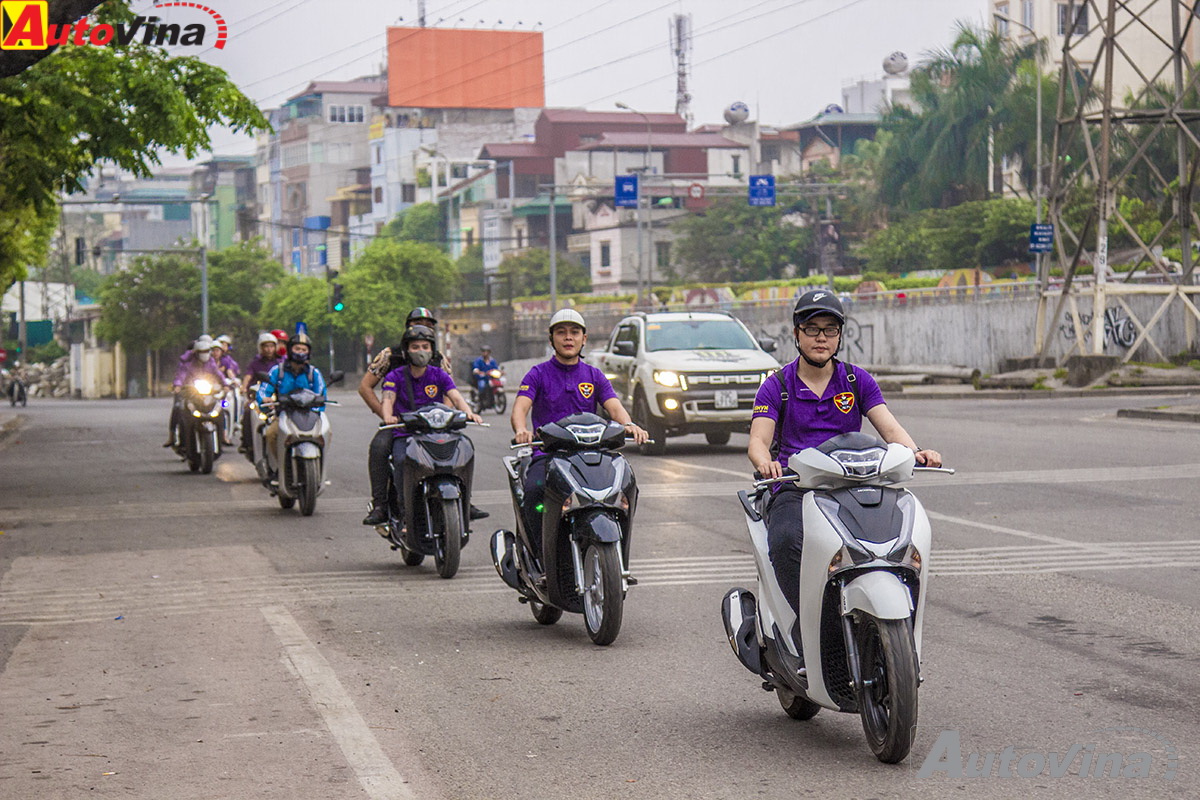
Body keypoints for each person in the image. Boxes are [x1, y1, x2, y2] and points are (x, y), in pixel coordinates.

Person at [748, 289, 942, 615]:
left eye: (830, 329)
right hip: (798, 488)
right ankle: (807, 621)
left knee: (894, 543)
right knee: (784, 543)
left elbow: (890, 429)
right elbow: (758, 441)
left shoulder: (856, 380)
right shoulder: (777, 386)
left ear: (839, 335)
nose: (821, 337)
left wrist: (917, 451)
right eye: (811, 328)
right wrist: (766, 464)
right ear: (796, 334)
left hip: (854, 485)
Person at [511, 309, 648, 554]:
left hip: (589, 457)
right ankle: (540, 558)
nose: (568, 338)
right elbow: (520, 408)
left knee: (627, 487)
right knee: (533, 492)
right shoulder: (537, 374)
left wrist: (629, 425)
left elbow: (615, 407)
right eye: (561, 333)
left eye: (574, 332)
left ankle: (619, 553)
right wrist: (521, 430)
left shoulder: (594, 375)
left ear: (584, 339)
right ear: (551, 338)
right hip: (549, 457)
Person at [359, 308, 483, 524]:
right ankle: (381, 505)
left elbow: (450, 393)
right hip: (401, 425)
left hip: (434, 423)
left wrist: (447, 417)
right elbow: (366, 388)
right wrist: (388, 416)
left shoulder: (438, 359)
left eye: (428, 325)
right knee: (380, 448)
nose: (423, 329)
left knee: (460, 448)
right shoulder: (391, 355)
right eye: (418, 323)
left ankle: (463, 501)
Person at [256, 332, 326, 478]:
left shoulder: (314, 373)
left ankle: (320, 470)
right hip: (284, 414)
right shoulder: (277, 371)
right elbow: (263, 390)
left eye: (304, 350)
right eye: (297, 349)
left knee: (325, 433)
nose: (300, 353)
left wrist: (316, 409)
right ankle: (277, 469)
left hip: (310, 416)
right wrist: (265, 400)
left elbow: (321, 394)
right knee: (271, 434)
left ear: (309, 352)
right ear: (289, 350)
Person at [164, 336, 224, 447]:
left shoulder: (211, 362)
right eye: (202, 351)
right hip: (190, 393)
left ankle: (223, 436)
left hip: (208, 394)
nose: (204, 353)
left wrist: (224, 385)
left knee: (222, 406)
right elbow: (180, 376)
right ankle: (173, 436)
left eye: (207, 351)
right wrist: (178, 386)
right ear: (195, 352)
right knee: (178, 407)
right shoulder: (187, 363)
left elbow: (218, 375)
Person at [239, 332, 285, 454]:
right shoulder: (255, 363)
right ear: (260, 348)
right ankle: (246, 443)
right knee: (248, 410)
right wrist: (244, 387)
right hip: (259, 396)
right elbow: (248, 376)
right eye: (266, 346)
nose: (269, 349)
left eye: (271, 346)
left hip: (277, 396)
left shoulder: (282, 362)